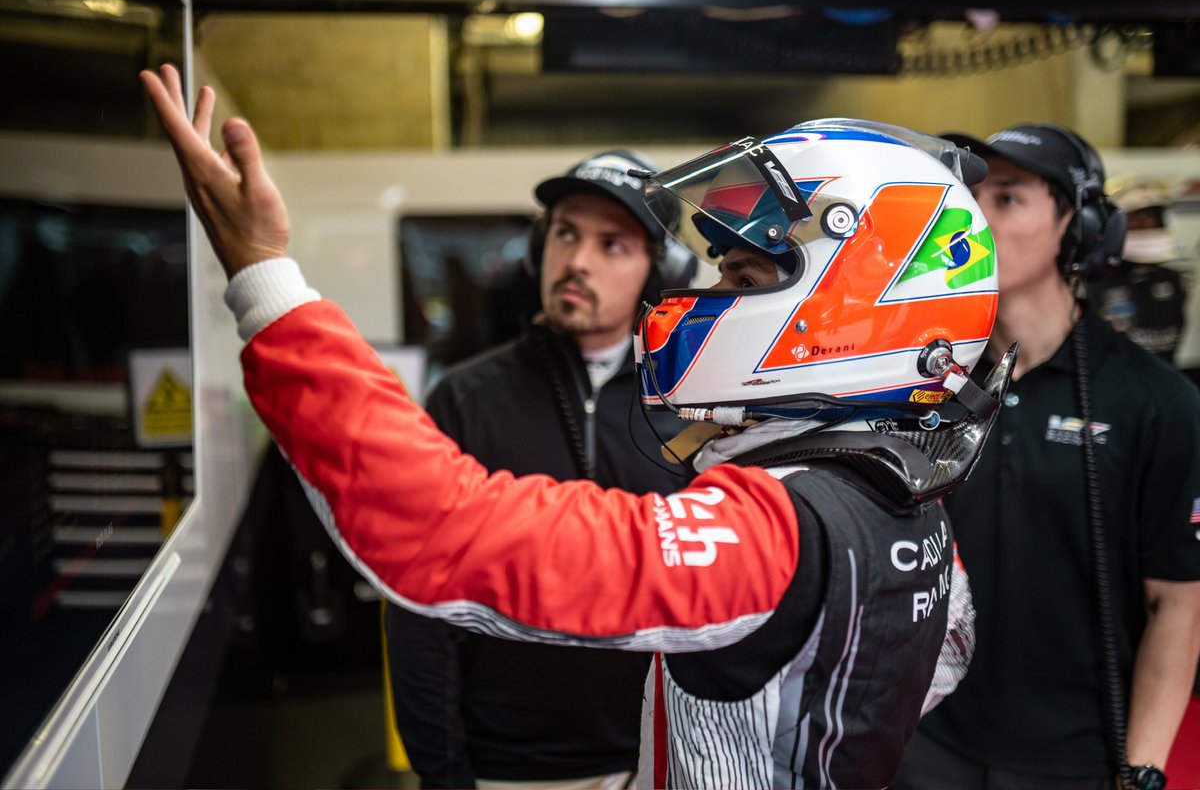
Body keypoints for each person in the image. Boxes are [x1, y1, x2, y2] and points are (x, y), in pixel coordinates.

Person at [142, 64, 1003, 789]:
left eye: (742, 278)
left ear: (853, 311)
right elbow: (945, 656)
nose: (710, 298)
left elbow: (440, 528)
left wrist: (264, 279)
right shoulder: (911, 495)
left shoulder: (776, 531)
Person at [893, 123, 1200, 790]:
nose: (974, 221)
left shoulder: (1155, 402)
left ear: (1079, 227)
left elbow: (1177, 604)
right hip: (921, 742)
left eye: (1007, 198)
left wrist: (1142, 766)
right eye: (966, 200)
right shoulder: (910, 383)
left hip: (1075, 759)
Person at [384, 150, 693, 789]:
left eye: (612, 244)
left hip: (663, 759)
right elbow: (419, 609)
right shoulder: (465, 401)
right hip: (506, 765)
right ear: (539, 246)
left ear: (658, 272)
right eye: (566, 233)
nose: (578, 260)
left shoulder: (693, 408)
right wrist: (444, 774)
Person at [1090, 178, 1188, 363]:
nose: (1146, 223)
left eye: (1151, 217)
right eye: (1136, 217)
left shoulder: (1172, 279)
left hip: (1162, 373)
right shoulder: (1095, 281)